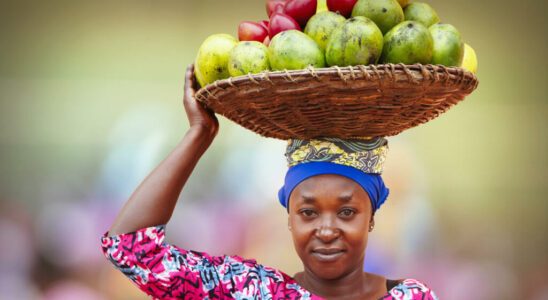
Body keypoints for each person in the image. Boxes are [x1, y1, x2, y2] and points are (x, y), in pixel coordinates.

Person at [101, 65, 439, 300]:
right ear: (288, 219)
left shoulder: (411, 296)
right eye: (308, 212)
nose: (326, 229)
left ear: (372, 218)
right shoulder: (254, 291)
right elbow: (130, 249)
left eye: (347, 211)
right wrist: (199, 135)